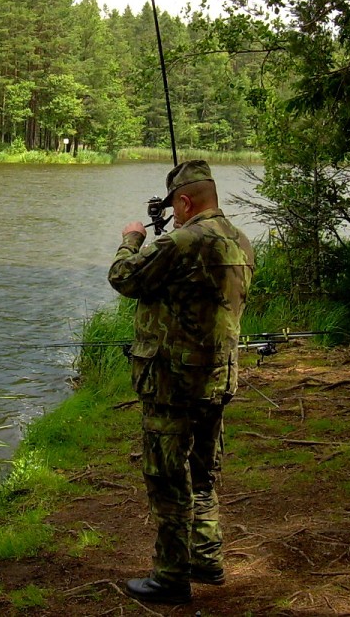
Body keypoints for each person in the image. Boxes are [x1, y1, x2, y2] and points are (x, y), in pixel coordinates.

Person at [107, 159, 256, 605]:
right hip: (217, 380)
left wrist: (132, 238)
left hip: (173, 383)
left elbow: (124, 277)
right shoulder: (241, 241)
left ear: (186, 201)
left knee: (168, 477)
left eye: (175, 207)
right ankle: (207, 559)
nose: (172, 215)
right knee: (203, 473)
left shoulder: (183, 241)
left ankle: (171, 576)